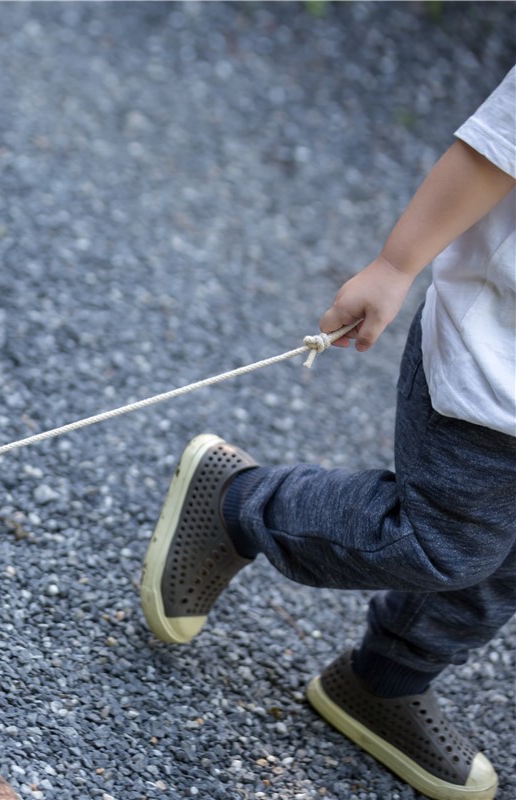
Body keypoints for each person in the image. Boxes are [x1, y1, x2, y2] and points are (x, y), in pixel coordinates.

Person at [140, 65, 515, 800]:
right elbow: (492, 149)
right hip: (492, 371)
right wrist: (395, 264)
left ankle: (385, 680)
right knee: (444, 541)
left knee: (504, 564)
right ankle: (238, 504)